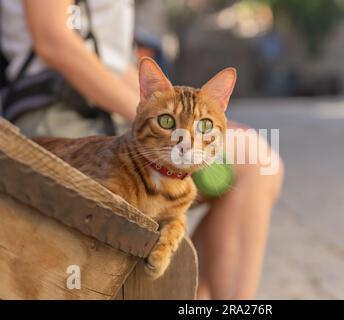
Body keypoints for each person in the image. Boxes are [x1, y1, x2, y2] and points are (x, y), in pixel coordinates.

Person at [0, 0, 283, 299]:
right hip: (56, 110)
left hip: (121, 114)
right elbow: (53, 40)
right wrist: (152, 114)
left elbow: (115, 65)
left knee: (257, 161)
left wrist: (187, 115)